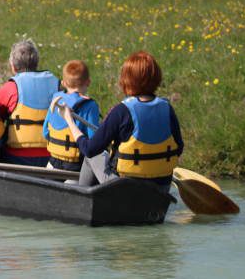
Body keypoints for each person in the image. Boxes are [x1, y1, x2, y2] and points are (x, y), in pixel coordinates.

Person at [60, 51, 183, 187]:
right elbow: (179, 148)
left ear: (127, 79)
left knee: (93, 157)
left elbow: (89, 149)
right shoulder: (167, 108)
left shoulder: (122, 111)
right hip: (161, 188)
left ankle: (81, 203)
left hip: (125, 190)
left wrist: (69, 120)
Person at [0, 39, 60, 167]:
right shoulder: (56, 84)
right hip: (54, 154)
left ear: (13, 66)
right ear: (37, 63)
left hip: (17, 156)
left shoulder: (9, 88)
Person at [43, 60, 100, 173]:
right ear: (88, 82)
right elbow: (94, 140)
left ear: (63, 83)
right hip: (75, 167)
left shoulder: (56, 100)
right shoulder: (90, 106)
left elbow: (45, 132)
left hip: (52, 162)